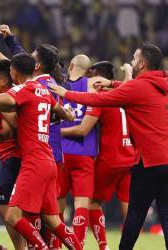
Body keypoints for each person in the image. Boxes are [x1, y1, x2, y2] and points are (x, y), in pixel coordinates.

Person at [48, 43, 168, 250]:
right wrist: (112, 82)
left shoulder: (137, 87)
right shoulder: (166, 82)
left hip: (149, 162)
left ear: (142, 63)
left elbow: (98, 100)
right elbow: (134, 89)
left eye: (135, 59)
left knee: (134, 212)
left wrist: (66, 93)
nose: (132, 62)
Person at [0, 53, 82, 250]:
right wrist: (67, 115)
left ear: (13, 72)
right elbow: (59, 109)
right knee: (53, 221)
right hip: (49, 161)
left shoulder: (23, 90)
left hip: (33, 163)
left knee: (12, 215)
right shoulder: (42, 90)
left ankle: (41, 248)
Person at [66, 61, 134, 250]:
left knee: (93, 202)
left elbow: (83, 129)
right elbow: (129, 84)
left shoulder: (102, 97)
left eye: (92, 75)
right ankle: (128, 245)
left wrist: (58, 131)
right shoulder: (126, 94)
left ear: (99, 78)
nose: (89, 80)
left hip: (110, 158)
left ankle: (103, 246)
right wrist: (128, 71)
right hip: (129, 156)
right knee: (127, 204)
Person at [0, 59, 25, 250]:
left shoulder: (7, 97)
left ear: (3, 80)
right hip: (5, 157)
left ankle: (22, 247)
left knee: (6, 208)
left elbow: (11, 129)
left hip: (12, 158)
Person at [58, 54, 98, 246]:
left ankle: (54, 245)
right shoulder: (92, 86)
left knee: (57, 202)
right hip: (84, 154)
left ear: (71, 65)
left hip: (61, 154)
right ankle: (78, 244)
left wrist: (58, 133)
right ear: (89, 71)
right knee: (81, 204)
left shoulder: (58, 87)